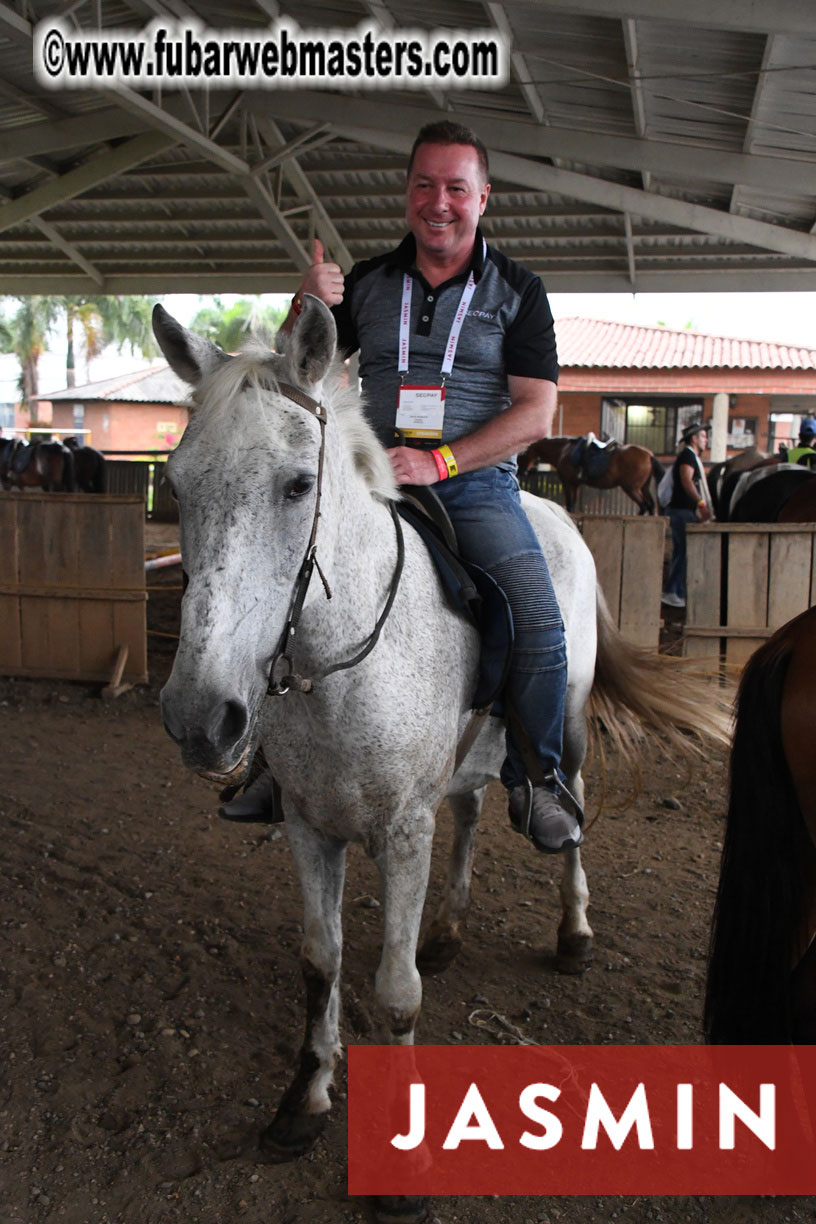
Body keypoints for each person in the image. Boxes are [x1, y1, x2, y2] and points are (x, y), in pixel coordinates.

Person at [223, 120, 582, 854]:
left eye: (456, 187)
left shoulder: (519, 292)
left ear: (484, 197)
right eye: (425, 185)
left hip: (474, 487)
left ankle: (538, 776)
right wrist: (303, 304)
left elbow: (537, 411)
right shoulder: (369, 284)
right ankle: (269, 762)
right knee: (279, 583)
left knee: (540, 617)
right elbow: (299, 370)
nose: (439, 202)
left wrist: (442, 463)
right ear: (407, 194)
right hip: (370, 478)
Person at [661, 422, 712, 609]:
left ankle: (676, 591)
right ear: (694, 438)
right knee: (682, 551)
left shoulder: (690, 456)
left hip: (684, 511)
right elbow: (687, 481)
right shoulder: (688, 457)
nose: (706, 440)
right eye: (704, 436)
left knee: (683, 551)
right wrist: (701, 503)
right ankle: (673, 591)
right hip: (681, 510)